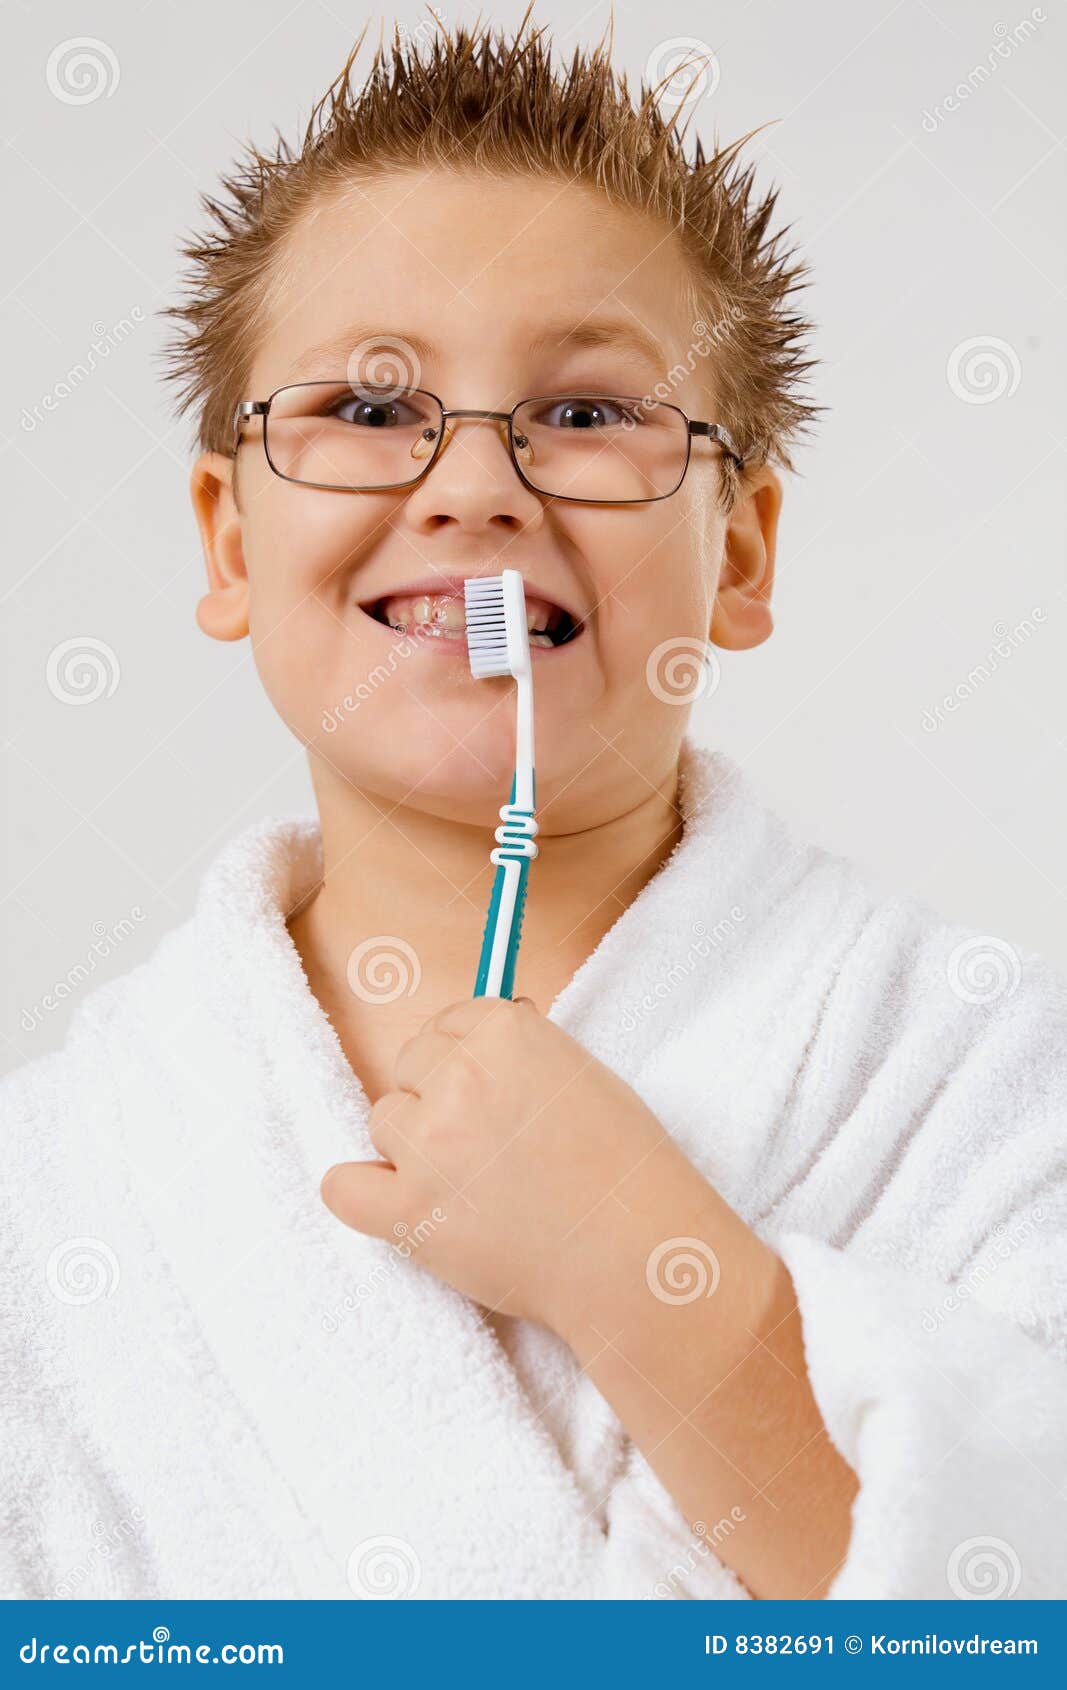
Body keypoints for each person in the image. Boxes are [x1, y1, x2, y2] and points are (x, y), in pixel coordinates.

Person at [3, 10, 1065, 1604]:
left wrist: (659, 1290)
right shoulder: (63, 1180)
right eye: (367, 411)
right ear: (228, 543)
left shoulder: (984, 1079)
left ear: (745, 553)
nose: (474, 485)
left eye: (587, 413)